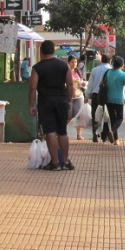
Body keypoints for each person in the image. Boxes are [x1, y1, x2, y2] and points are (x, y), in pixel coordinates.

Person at [28, 40, 74, 171]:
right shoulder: (63, 66)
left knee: (50, 131)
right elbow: (69, 84)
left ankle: (55, 163)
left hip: (45, 102)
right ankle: (65, 161)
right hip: (61, 101)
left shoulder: (37, 68)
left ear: (41, 52)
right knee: (62, 131)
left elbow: (32, 88)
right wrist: (69, 101)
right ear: (54, 51)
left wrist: (31, 105)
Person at [104, 56, 125, 146]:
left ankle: (116, 140)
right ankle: (112, 131)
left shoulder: (108, 72)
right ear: (122, 65)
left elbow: (101, 84)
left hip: (108, 98)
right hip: (118, 99)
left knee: (112, 119)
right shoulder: (123, 74)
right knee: (119, 118)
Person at [86, 54, 112, 142]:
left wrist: (88, 95)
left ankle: (95, 132)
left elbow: (91, 84)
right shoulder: (111, 70)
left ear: (101, 61)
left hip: (96, 94)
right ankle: (105, 134)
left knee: (95, 114)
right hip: (107, 94)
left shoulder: (94, 70)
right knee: (106, 114)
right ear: (110, 61)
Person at [66, 55, 87, 139]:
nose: (74, 64)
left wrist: (83, 85)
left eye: (75, 62)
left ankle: (79, 134)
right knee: (68, 116)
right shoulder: (66, 72)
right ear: (68, 62)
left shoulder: (77, 71)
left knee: (79, 115)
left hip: (79, 96)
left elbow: (81, 81)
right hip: (69, 96)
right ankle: (63, 132)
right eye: (72, 62)